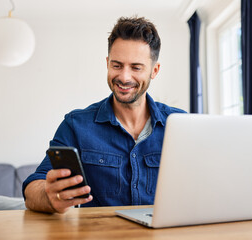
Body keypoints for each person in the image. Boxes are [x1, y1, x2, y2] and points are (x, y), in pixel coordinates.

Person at [22, 16, 186, 213]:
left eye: (136, 67)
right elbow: (34, 187)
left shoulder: (180, 124)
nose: (124, 77)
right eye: (117, 65)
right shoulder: (76, 125)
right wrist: (49, 196)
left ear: (154, 70)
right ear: (107, 63)